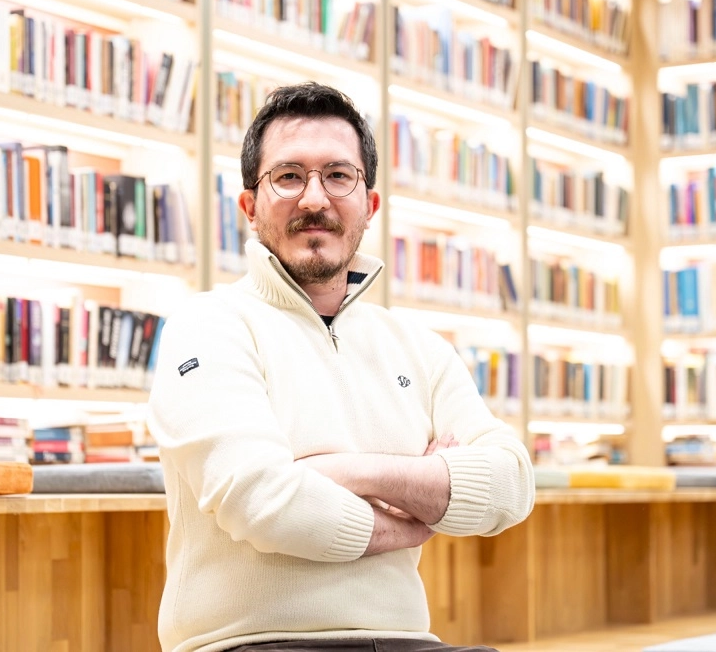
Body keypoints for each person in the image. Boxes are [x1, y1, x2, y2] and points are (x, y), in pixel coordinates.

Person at [147, 82, 535, 652]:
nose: (314, 198)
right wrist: (416, 512)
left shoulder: (418, 346)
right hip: (253, 644)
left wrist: (346, 471)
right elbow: (264, 502)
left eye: (337, 175)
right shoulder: (208, 326)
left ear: (369, 206)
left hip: (407, 641)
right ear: (250, 208)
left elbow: (512, 484)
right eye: (288, 176)